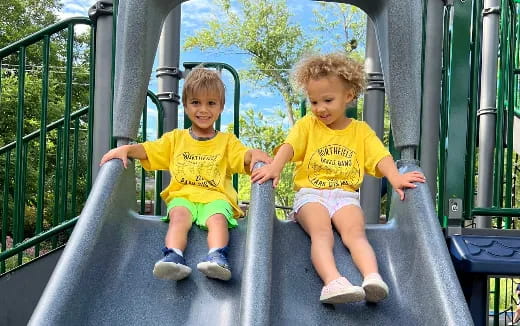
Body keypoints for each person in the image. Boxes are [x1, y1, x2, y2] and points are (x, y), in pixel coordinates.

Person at [251, 53, 425, 304]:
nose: (320, 108)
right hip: (311, 194)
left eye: (328, 100)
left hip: (345, 195)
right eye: (313, 101)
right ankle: (332, 282)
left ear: (349, 96)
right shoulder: (307, 125)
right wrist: (276, 167)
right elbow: (290, 146)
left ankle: (372, 277)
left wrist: (396, 177)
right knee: (323, 233)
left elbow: (379, 157)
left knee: (355, 234)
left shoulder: (360, 131)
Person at [100, 67, 271, 282]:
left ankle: (217, 257)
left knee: (218, 219)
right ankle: (173, 256)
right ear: (186, 105)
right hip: (184, 197)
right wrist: (126, 149)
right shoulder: (175, 139)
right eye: (196, 102)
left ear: (221, 107)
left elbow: (242, 156)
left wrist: (253, 153)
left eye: (211, 103)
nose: (203, 110)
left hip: (216, 197)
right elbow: (150, 150)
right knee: (178, 217)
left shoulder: (226, 141)